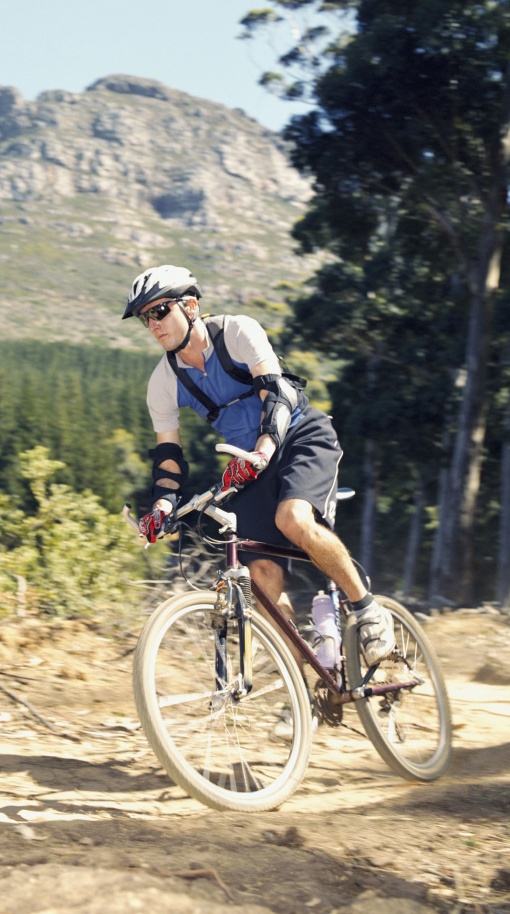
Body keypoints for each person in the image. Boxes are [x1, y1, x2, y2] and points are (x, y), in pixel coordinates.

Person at [124, 264, 394, 666]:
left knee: (293, 520)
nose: (153, 324)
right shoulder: (163, 381)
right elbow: (168, 457)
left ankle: (367, 608)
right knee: (260, 575)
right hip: (247, 464)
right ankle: (302, 685)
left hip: (299, 436)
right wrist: (162, 508)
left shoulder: (237, 332)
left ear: (191, 305)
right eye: (146, 317)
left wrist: (265, 449)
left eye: (160, 311)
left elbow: (278, 394)